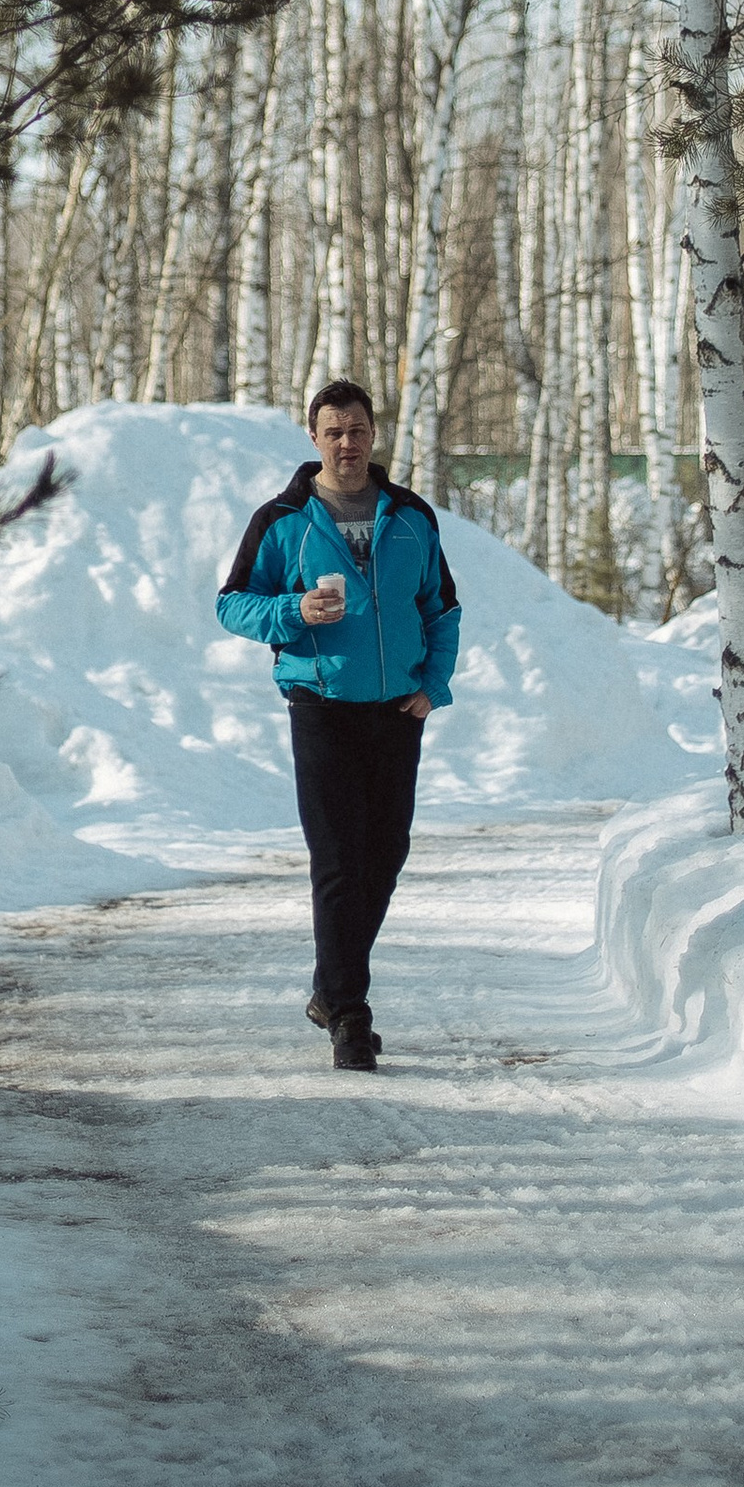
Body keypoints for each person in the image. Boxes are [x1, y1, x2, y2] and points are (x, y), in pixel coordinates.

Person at [215, 381, 460, 1070]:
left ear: (374, 433)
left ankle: (329, 986)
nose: (346, 442)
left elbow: (442, 608)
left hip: (395, 712)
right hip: (320, 709)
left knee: (384, 854)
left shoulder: (411, 516)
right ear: (313, 436)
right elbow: (231, 604)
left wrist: (432, 686)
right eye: (333, 430)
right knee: (337, 862)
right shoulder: (284, 518)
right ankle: (350, 1014)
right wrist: (293, 610)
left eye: (357, 429)